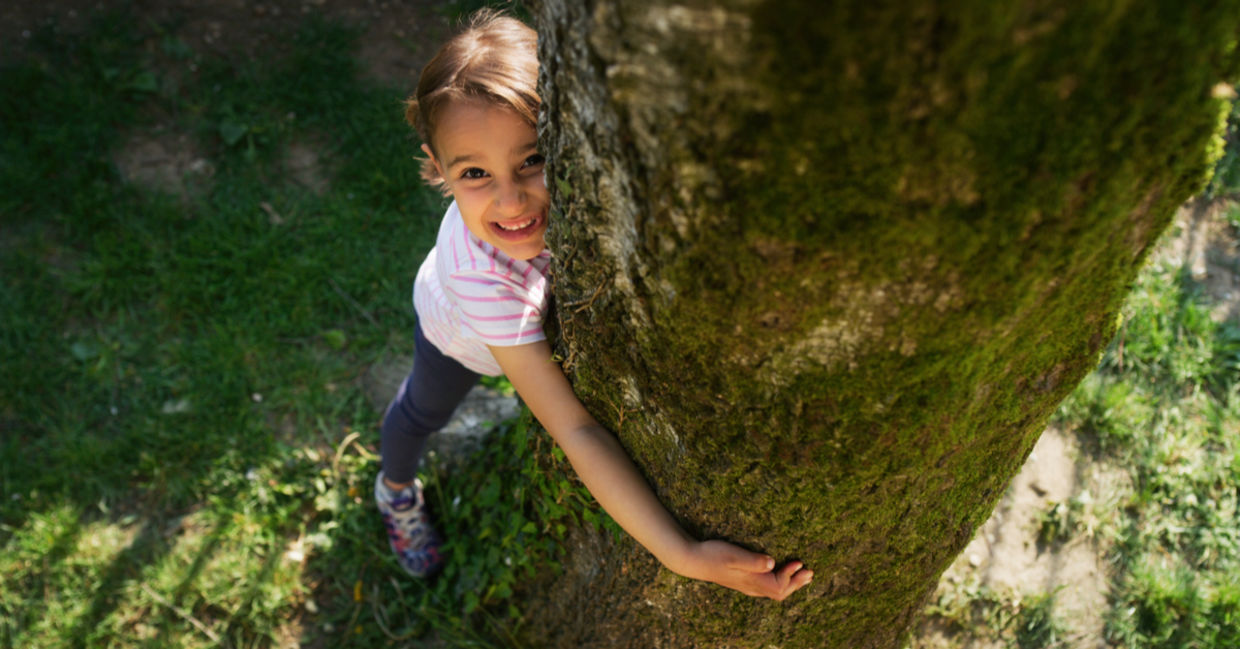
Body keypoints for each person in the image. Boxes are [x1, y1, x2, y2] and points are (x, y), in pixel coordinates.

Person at [375, 10, 813, 601]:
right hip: (455, 334)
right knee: (422, 412)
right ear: (437, 166)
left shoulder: (600, 193)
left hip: (516, 327)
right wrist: (679, 553)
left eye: (532, 159)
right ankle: (394, 489)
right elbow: (575, 428)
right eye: (475, 173)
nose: (511, 200)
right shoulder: (481, 277)